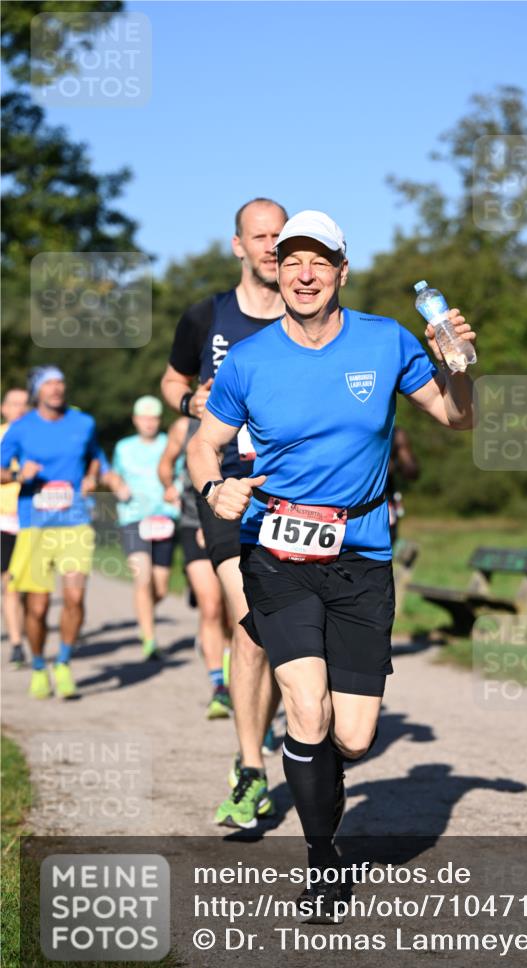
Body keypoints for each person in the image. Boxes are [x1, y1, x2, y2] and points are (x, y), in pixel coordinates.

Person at [188, 210, 476, 917]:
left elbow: (457, 416)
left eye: (319, 261)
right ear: (275, 271)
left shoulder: (386, 341)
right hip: (275, 548)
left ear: (341, 271)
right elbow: (204, 442)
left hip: (361, 554)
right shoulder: (250, 359)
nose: (305, 273)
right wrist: (212, 487)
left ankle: (306, 760)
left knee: (353, 734)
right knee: (307, 708)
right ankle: (323, 864)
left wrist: (460, 365)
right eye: (291, 261)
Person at [160, 197, 286, 827]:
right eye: (259, 236)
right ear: (238, 245)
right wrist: (191, 408)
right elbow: (171, 381)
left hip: (298, 490)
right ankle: (251, 768)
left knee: (281, 631)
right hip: (226, 487)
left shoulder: (309, 313)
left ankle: (289, 730)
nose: (270, 246)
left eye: (279, 236)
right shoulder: (206, 314)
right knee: (249, 623)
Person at [0, 367, 101, 699]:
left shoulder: (83, 423)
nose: (57, 389)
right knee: (38, 608)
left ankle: (64, 661)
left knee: (74, 597)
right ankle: (40, 665)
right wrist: (17, 472)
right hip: (35, 526)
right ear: (36, 391)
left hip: (74, 522)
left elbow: (95, 458)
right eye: (49, 384)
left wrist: (92, 477)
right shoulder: (20, 428)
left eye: (60, 382)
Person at [158, 415, 233, 717]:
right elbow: (166, 463)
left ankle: (237, 674)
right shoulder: (184, 425)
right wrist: (168, 486)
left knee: (235, 611)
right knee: (211, 605)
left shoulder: (251, 411)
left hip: (238, 521)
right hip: (193, 519)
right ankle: (220, 687)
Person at [106, 396, 180, 661]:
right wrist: (117, 485)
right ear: (136, 420)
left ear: (159, 421)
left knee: (159, 588)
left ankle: (143, 615)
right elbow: (113, 474)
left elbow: (181, 474)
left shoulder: (168, 445)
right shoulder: (124, 447)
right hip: (133, 518)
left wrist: (176, 491)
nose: (149, 423)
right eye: (144, 418)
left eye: (154, 418)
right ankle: (149, 639)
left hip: (163, 519)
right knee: (143, 578)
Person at [0, 387, 30, 667]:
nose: (20, 409)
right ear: (4, 409)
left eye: (25, 404)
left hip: (35, 518)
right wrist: (19, 474)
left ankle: (27, 635)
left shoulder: (37, 436)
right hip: (4, 518)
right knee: (10, 584)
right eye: (14, 404)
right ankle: (17, 643)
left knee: (30, 587)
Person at [388, 425, 419, 545]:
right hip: (351, 501)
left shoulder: (396, 434)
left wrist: (395, 465)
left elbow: (412, 471)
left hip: (386, 501)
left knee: (388, 541)